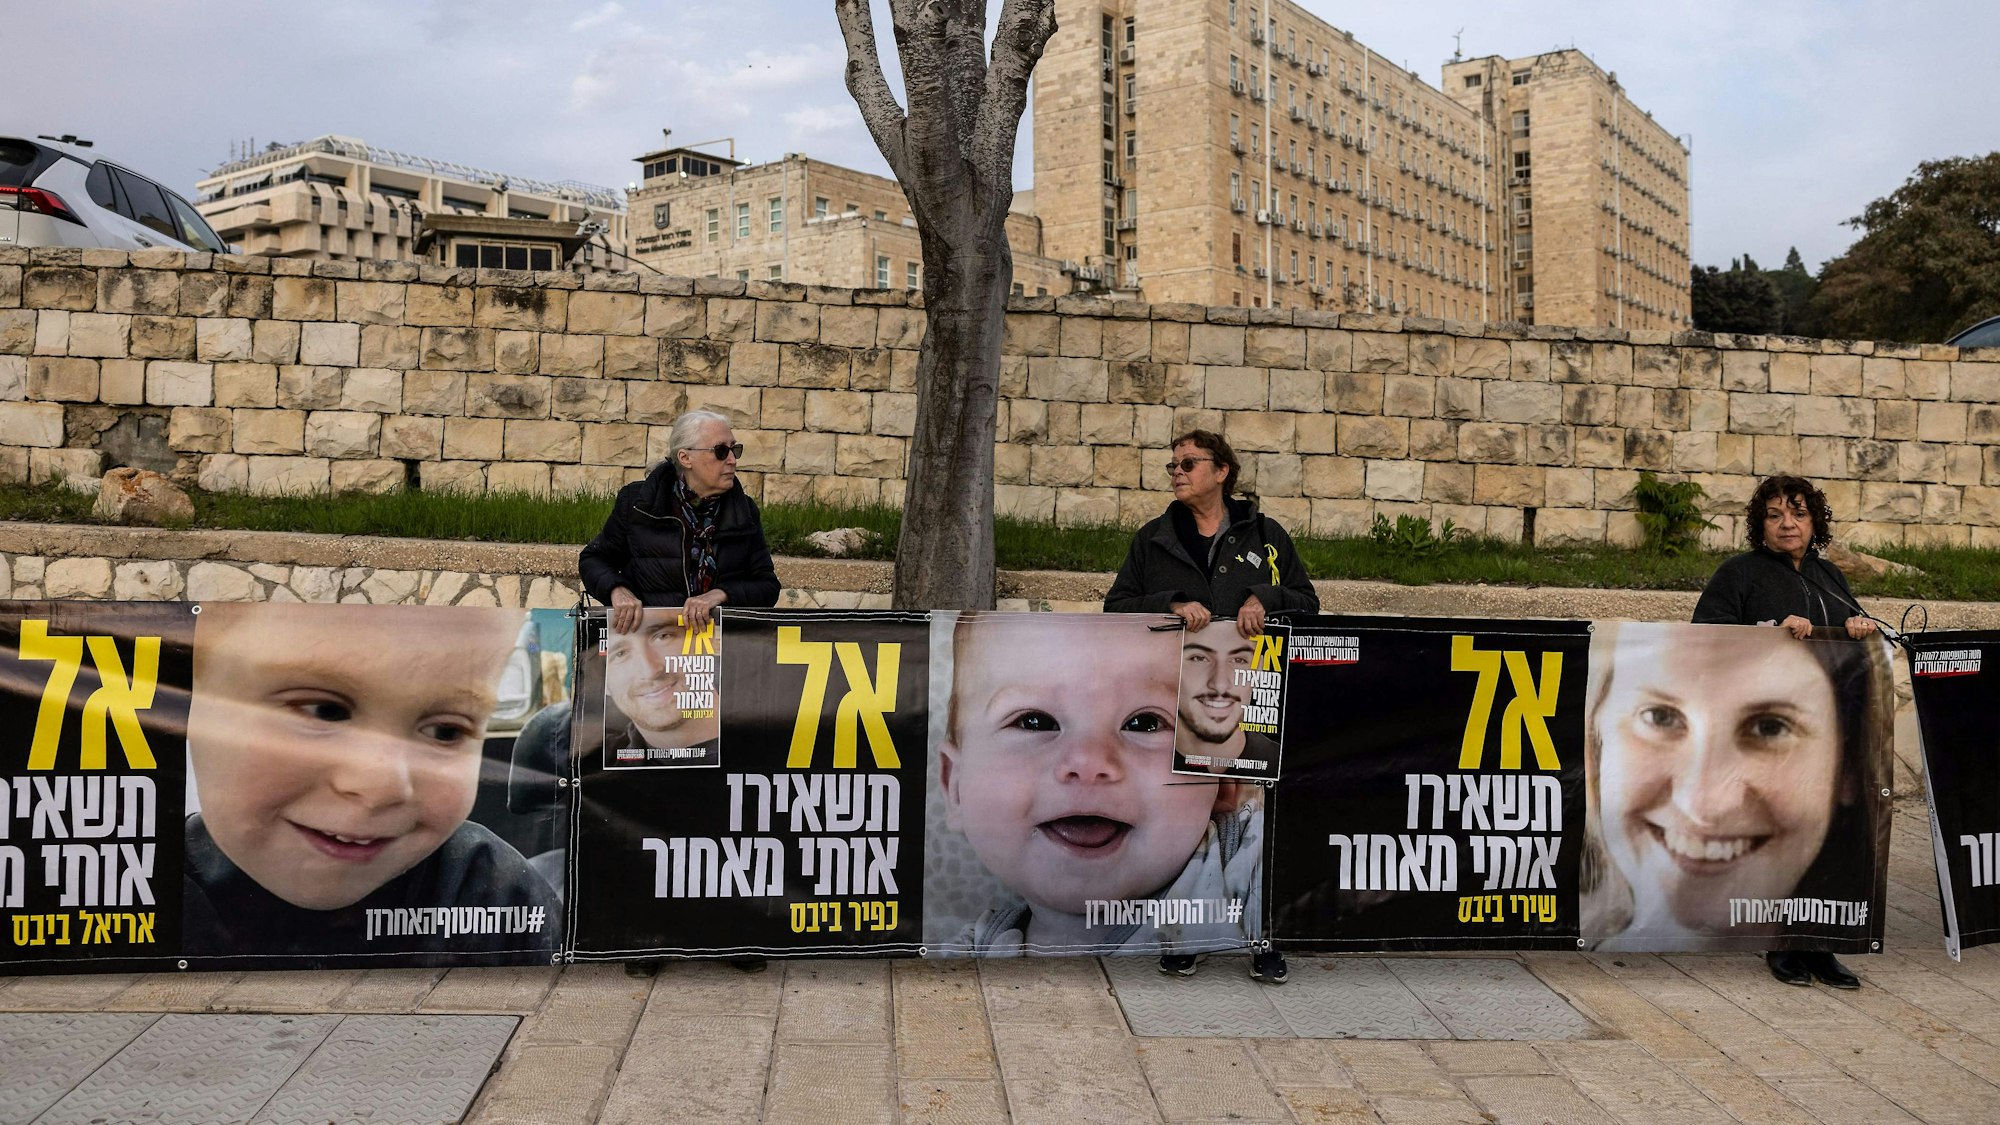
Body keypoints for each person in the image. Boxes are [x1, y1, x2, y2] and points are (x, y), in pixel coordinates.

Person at [182, 604, 560, 963]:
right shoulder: (151, 890)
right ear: (189, 699)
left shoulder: (499, 893)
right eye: (323, 711)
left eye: (446, 731)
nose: (381, 786)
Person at [1105, 428, 1317, 983]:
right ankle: (1184, 935)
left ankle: (1262, 940)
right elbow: (1116, 606)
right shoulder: (1152, 540)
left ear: (1222, 471)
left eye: (1189, 463)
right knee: (1189, 819)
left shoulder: (1266, 536)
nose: (1176, 472)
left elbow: (1309, 602)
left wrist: (1264, 598)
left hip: (1250, 705)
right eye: (1172, 464)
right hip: (1177, 708)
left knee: (1256, 819)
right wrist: (1170, 604)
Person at [938, 613, 1263, 956]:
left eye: (1146, 723)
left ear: (1226, 782)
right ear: (955, 786)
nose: (1089, 762)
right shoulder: (961, 958)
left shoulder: (1245, 866)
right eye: (1034, 721)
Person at [1580, 622, 1891, 964]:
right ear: (1596, 743)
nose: (1704, 807)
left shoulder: (1829, 583)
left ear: (1847, 766)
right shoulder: (1742, 577)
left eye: (1770, 727)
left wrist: (1855, 622)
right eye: (1660, 716)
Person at [1688, 474, 1883, 988]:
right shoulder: (1740, 574)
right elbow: (1706, 636)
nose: (1787, 524)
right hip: (1763, 739)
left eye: (1797, 513)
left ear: (1814, 521)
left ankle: (1821, 947)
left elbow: (1850, 639)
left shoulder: (1831, 576)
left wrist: (1858, 629)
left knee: (1829, 842)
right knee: (1780, 837)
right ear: (1761, 526)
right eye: (1775, 516)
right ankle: (1781, 945)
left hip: (1826, 736)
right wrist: (1768, 632)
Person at [580, 409, 780, 634]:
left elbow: (768, 587)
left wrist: (720, 594)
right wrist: (617, 590)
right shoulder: (638, 504)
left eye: (735, 449)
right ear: (685, 458)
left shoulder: (744, 511)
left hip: (721, 650)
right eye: (721, 451)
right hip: (652, 644)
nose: (732, 460)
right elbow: (593, 559)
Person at [604, 607, 721, 767]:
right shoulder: (597, 772)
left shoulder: (763, 736)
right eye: (620, 654)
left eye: (663, 637)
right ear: (604, 683)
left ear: (708, 641)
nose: (650, 671)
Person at [1175, 619, 1279, 776]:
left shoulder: (1285, 762)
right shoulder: (1140, 760)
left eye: (1239, 660)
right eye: (1198, 658)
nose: (1220, 685)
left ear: (1260, 670)